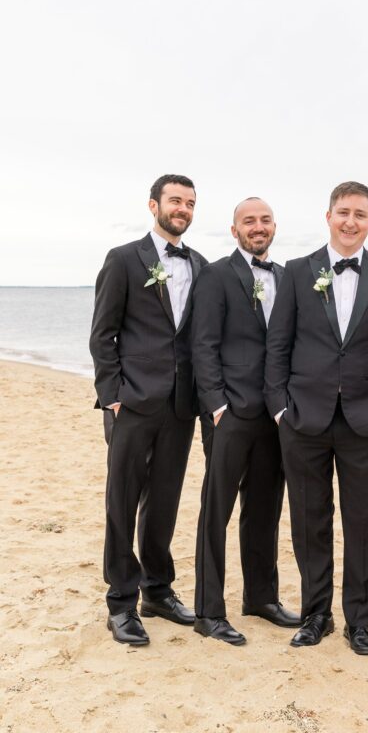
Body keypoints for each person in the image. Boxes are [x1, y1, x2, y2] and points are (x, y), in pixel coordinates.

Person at [264, 181, 368, 655]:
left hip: (365, 421)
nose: (351, 221)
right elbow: (278, 345)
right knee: (310, 522)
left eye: (360, 214)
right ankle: (315, 616)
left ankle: (360, 622)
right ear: (328, 216)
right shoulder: (297, 271)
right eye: (343, 212)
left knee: (364, 524)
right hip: (303, 419)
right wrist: (280, 407)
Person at [90, 174, 207, 646]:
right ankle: (121, 600)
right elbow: (103, 333)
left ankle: (157, 590)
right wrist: (112, 393)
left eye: (190, 203)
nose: (182, 208)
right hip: (132, 402)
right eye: (175, 200)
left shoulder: (201, 265)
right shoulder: (123, 260)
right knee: (122, 500)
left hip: (181, 406)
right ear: (153, 204)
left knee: (164, 502)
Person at [191, 197, 300, 646]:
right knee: (216, 512)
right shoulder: (216, 275)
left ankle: (260, 597)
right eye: (249, 221)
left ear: (275, 226)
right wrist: (216, 405)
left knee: (265, 510)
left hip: (275, 417)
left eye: (265, 220)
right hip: (230, 413)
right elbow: (203, 344)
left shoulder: (289, 277)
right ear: (234, 230)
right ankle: (208, 612)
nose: (258, 227)